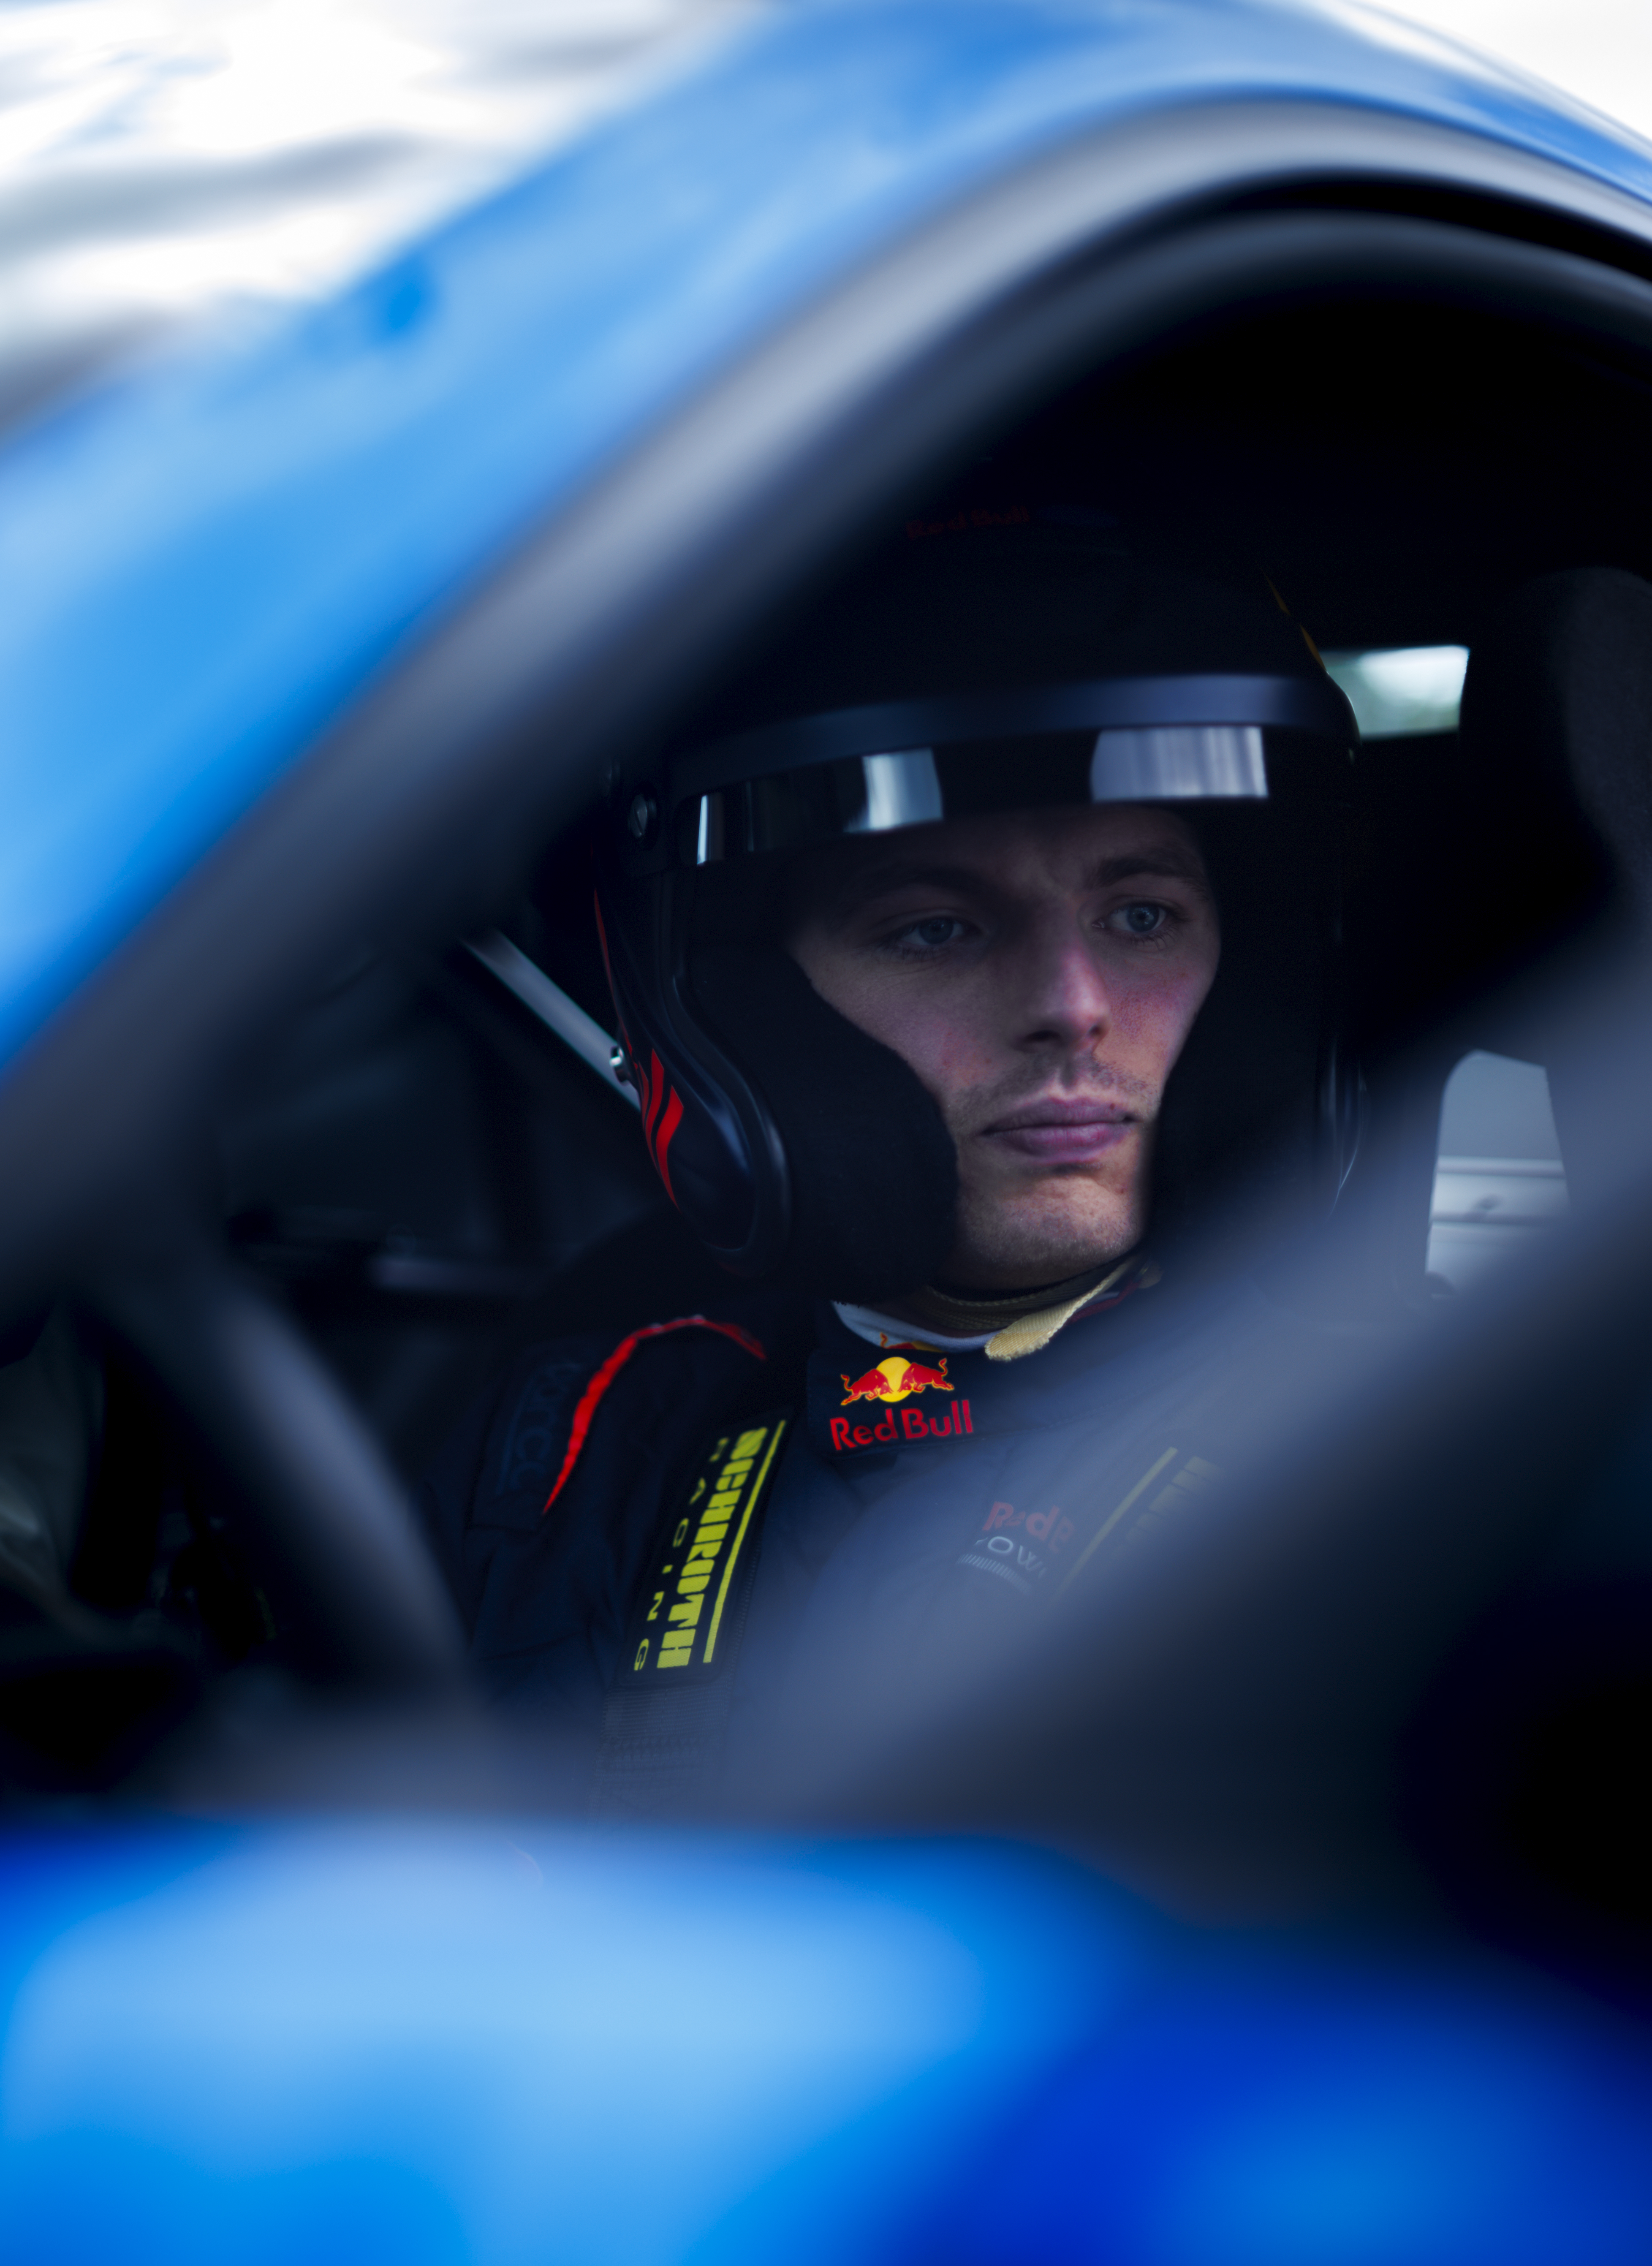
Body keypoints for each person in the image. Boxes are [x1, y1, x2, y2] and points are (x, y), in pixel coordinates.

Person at [421, 504, 1364, 1808]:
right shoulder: (579, 1446)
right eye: (937, 930)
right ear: (753, 1020)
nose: (1074, 1002)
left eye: (1142, 914)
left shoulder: (1431, 1432)